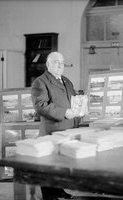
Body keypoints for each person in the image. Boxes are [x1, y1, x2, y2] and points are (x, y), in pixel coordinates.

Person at [31, 52, 81, 200]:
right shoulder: (40, 82)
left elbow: (73, 100)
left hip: (67, 129)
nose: (60, 65)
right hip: (52, 131)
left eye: (62, 62)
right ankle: (49, 196)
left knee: (61, 164)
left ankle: (59, 191)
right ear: (48, 64)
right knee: (49, 166)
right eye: (56, 62)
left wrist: (81, 107)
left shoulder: (66, 80)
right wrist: (65, 112)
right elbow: (41, 105)